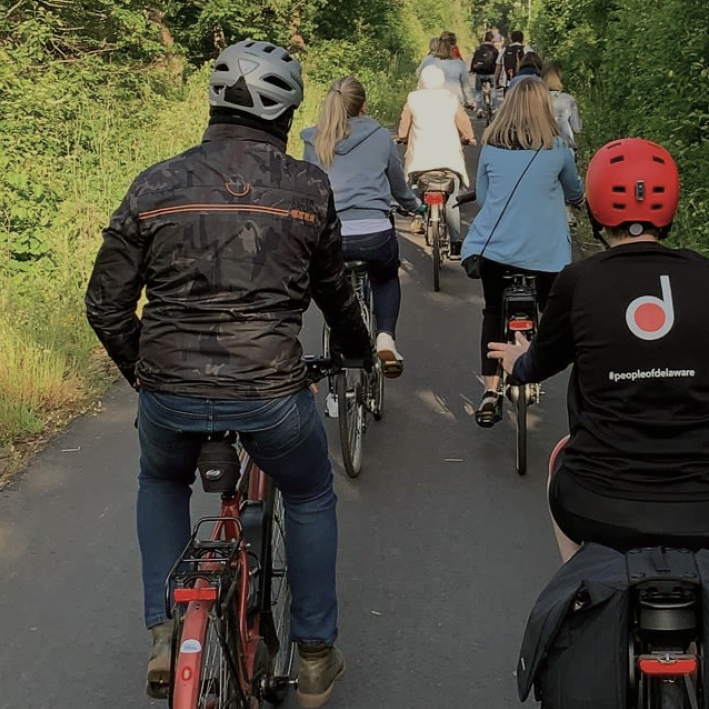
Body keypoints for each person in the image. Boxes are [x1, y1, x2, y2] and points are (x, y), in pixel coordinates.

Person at [84, 40, 369, 707]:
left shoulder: (154, 185)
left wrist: (144, 374)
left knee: (161, 478)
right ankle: (315, 655)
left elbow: (105, 305)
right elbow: (334, 292)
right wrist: (355, 349)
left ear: (213, 103)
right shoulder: (308, 188)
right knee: (309, 493)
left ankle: (164, 632)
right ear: (287, 113)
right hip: (271, 393)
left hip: (170, 391)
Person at [487, 138, 709, 565]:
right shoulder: (708, 275)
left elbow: (540, 363)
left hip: (598, 504)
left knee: (560, 466)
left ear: (596, 207)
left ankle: (578, 592)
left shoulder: (578, 281)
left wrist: (519, 364)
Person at [462, 78, 583, 425]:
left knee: (493, 311)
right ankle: (534, 360)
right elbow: (574, 192)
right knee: (550, 311)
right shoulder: (558, 149)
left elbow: (484, 199)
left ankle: (489, 391)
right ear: (544, 108)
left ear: (509, 106)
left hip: (494, 253)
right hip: (547, 257)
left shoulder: (491, 147)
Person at [300, 76, 422, 377]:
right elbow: (398, 187)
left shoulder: (314, 140)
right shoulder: (380, 136)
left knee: (329, 285)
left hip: (331, 238)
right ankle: (385, 337)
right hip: (374, 236)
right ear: (363, 105)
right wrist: (414, 206)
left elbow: (308, 192)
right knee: (386, 276)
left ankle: (337, 341)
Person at [397, 66, 476, 255]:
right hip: (448, 160)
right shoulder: (450, 98)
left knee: (414, 183)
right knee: (452, 202)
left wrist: (402, 137)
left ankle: (418, 212)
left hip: (420, 161)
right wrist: (469, 137)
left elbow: (404, 127)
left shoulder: (413, 98)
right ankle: (456, 244)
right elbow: (463, 122)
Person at [421, 36, 473, 107]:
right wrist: (470, 101)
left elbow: (419, 76)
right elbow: (465, 86)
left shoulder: (428, 61)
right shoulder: (459, 64)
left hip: (433, 100)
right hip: (455, 101)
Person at [543, 62, 581, 150]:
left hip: (544, 146)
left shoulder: (536, 100)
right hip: (566, 145)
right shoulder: (568, 99)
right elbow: (576, 128)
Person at [469, 30, 501, 117]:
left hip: (480, 73)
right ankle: (494, 108)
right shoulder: (495, 50)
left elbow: (474, 60)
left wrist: (472, 70)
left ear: (484, 38)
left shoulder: (478, 50)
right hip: (491, 73)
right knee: (493, 89)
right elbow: (498, 63)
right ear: (492, 39)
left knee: (478, 90)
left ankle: (479, 109)